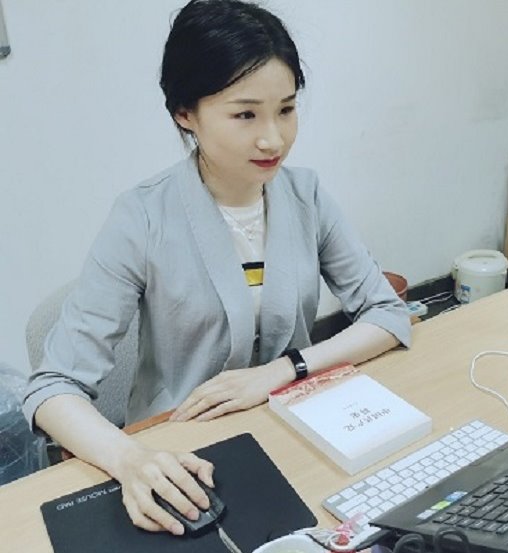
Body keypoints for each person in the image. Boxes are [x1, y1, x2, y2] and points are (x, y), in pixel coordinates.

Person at [23, 0, 410, 536]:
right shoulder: (142, 217)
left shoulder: (307, 196)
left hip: (296, 433)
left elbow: (388, 313)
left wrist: (284, 369)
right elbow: (52, 386)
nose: (273, 138)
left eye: (286, 109)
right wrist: (130, 458)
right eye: (245, 114)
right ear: (185, 113)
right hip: (181, 456)